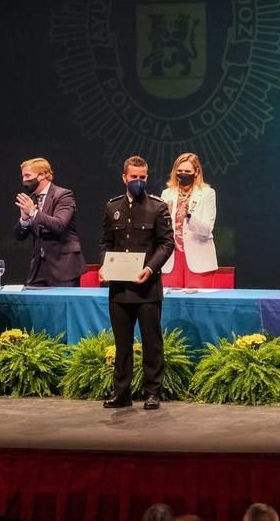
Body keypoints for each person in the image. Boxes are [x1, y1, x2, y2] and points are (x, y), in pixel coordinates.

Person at [99, 156, 175, 410]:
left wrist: (151, 268)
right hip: (120, 289)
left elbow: (167, 244)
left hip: (147, 288)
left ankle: (153, 392)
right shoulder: (112, 207)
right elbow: (105, 244)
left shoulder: (158, 207)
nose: (139, 182)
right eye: (134, 177)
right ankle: (122, 393)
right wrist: (103, 266)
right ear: (124, 178)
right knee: (122, 344)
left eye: (143, 177)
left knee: (152, 343)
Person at [14, 157, 84, 287]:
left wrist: (34, 213)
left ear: (42, 175)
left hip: (63, 266)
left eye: (28, 175)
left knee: (62, 306)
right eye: (23, 176)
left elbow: (59, 225)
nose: (24, 180)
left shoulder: (63, 195)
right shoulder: (31, 200)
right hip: (38, 268)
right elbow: (19, 236)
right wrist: (24, 220)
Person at [159, 153, 217, 288]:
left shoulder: (208, 193)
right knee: (170, 303)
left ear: (196, 172)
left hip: (198, 258)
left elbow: (207, 229)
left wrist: (189, 216)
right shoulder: (166, 194)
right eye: (179, 171)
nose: (183, 174)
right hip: (171, 259)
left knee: (198, 303)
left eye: (187, 171)